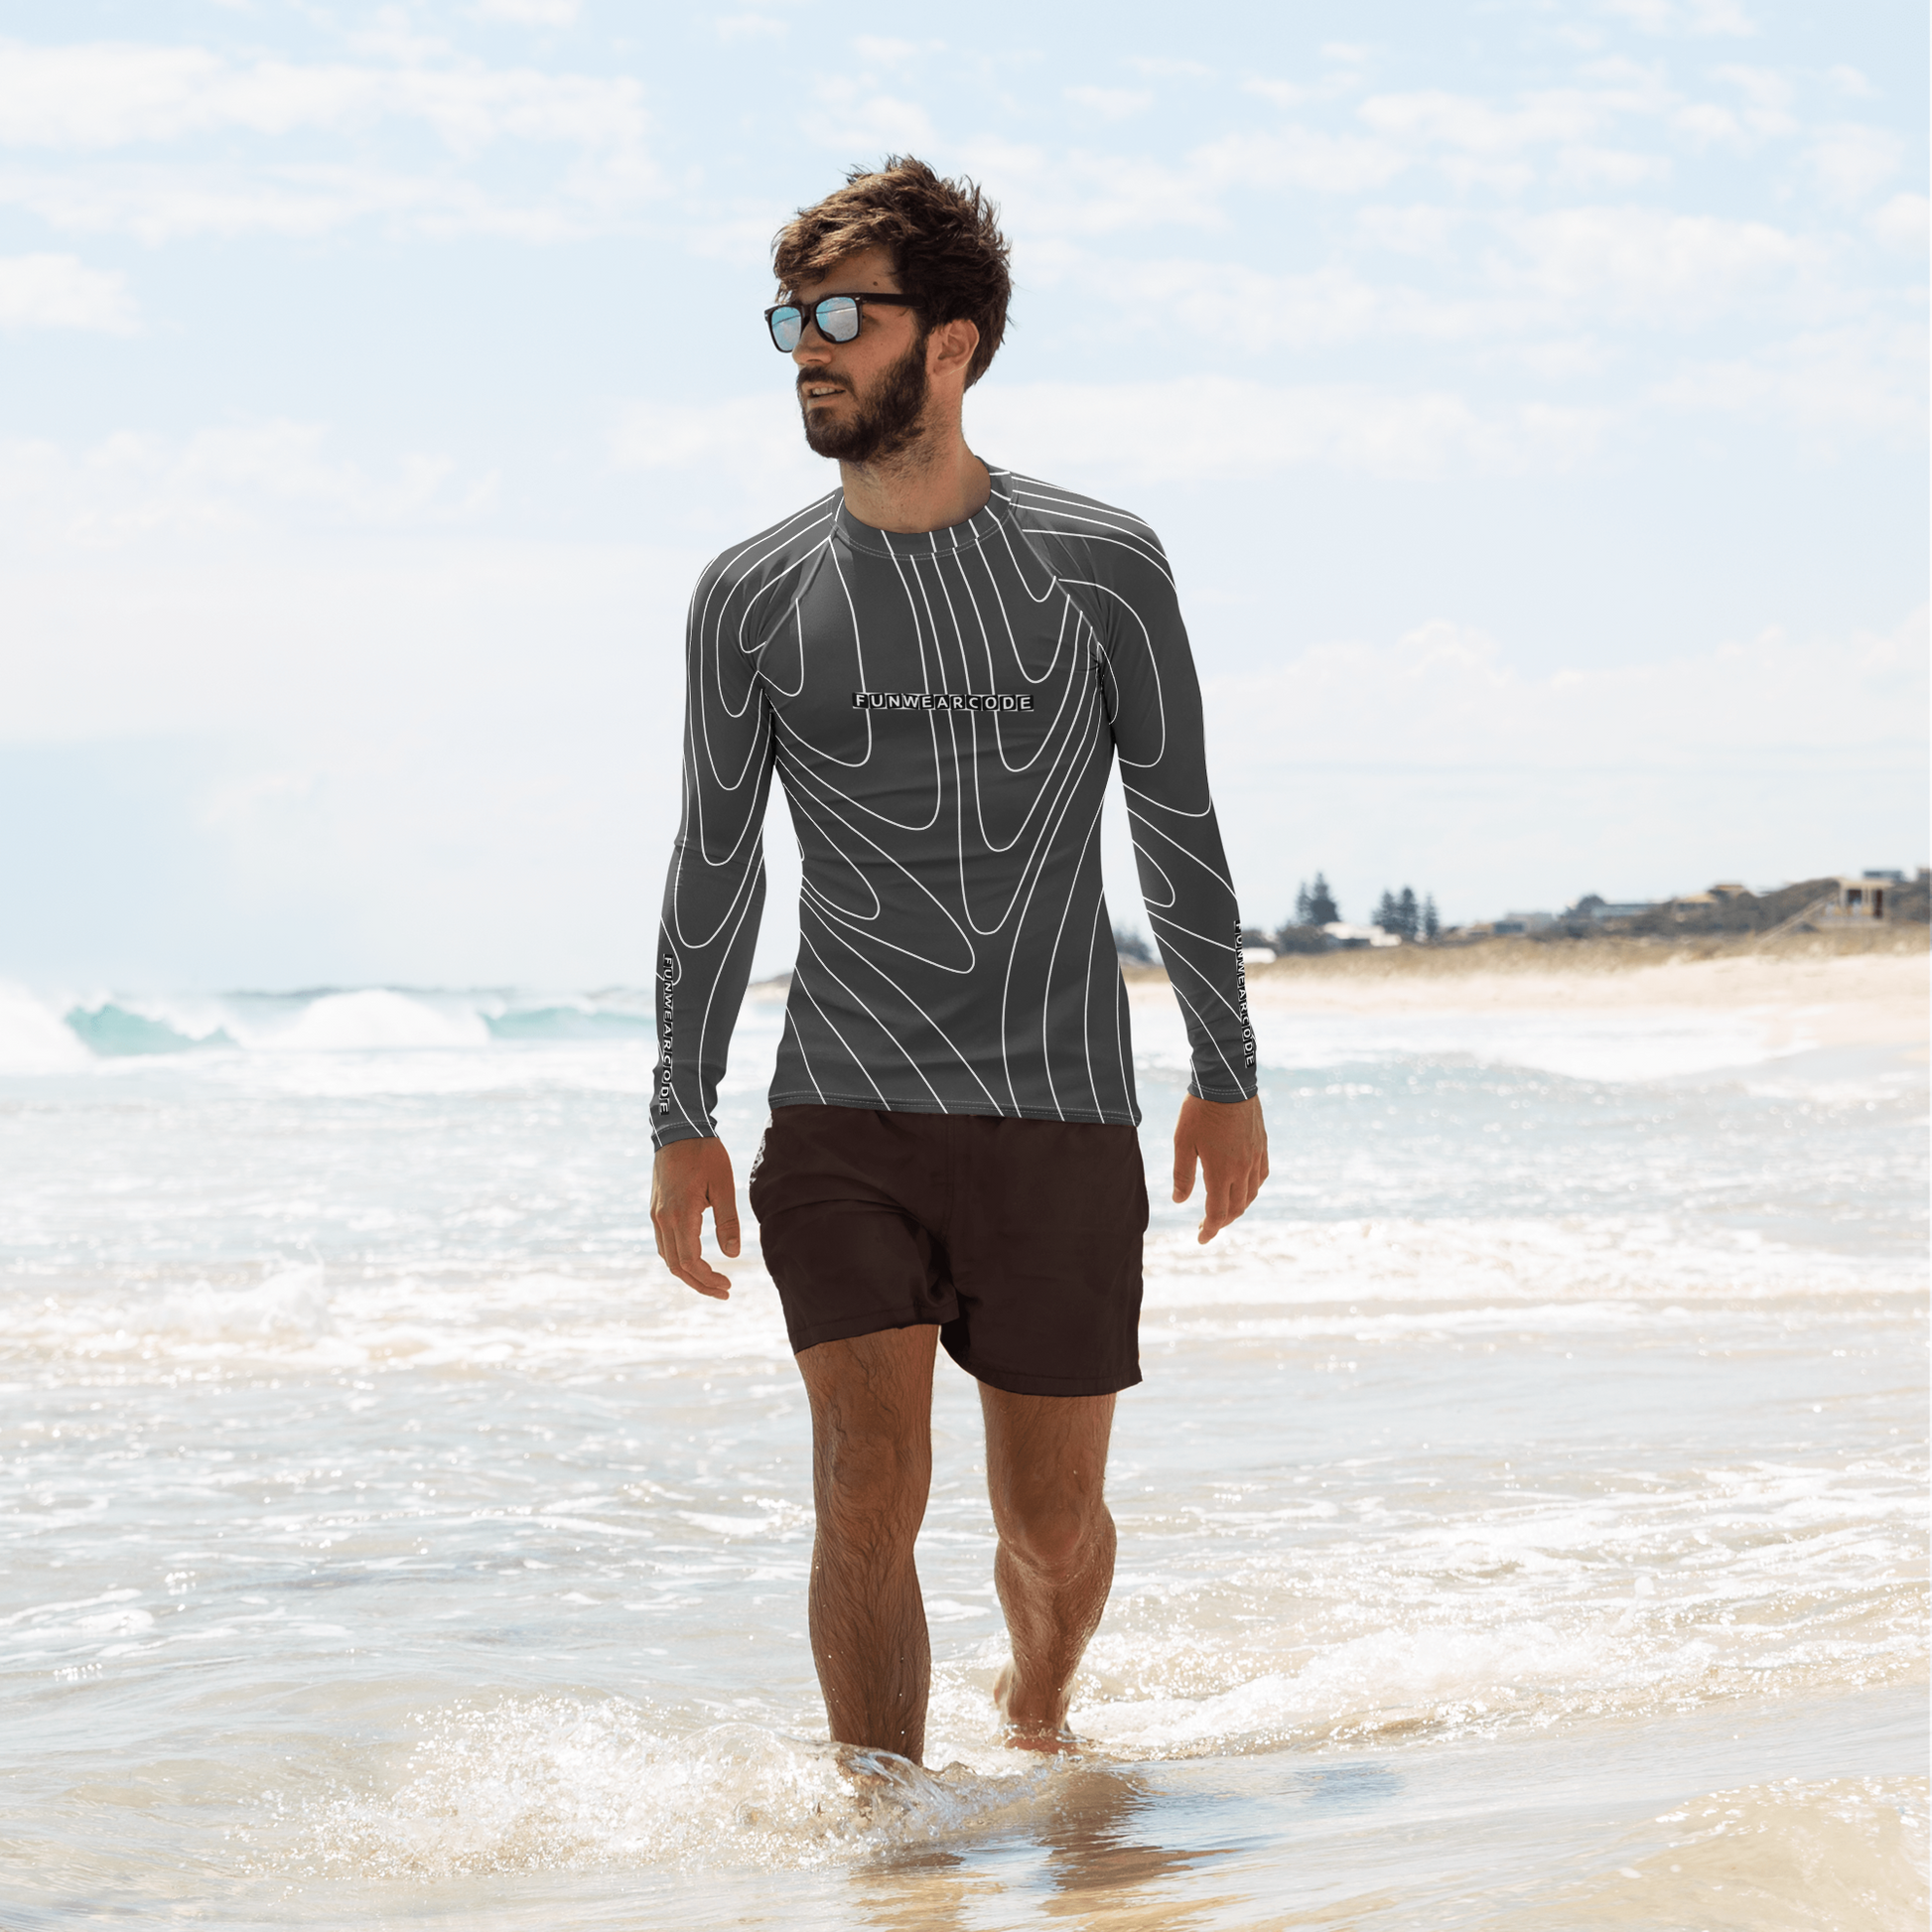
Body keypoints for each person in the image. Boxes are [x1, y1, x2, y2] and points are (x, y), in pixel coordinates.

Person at [649, 157, 1268, 1764]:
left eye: (844, 314)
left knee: (1049, 1526)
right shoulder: (749, 596)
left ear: (953, 344)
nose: (807, 346)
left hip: (1058, 1114)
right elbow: (718, 854)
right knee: (863, 1484)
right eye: (790, 315)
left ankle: (1043, 1701)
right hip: (843, 1113)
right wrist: (677, 1108)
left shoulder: (1100, 563)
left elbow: (1174, 818)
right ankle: (888, 1841)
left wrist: (1226, 1072)